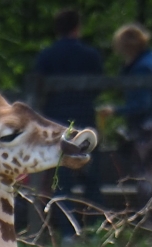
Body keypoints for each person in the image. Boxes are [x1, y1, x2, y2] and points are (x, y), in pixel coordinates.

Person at [28, 9, 103, 233]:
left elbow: (37, 89)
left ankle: (68, 232)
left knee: (62, 179)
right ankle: (96, 229)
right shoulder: (91, 55)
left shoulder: (47, 56)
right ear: (77, 27)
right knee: (92, 176)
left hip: (57, 123)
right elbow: (99, 86)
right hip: (86, 121)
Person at [98, 23, 152, 218]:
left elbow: (143, 104)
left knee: (148, 177)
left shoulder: (141, 69)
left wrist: (114, 110)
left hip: (149, 130)